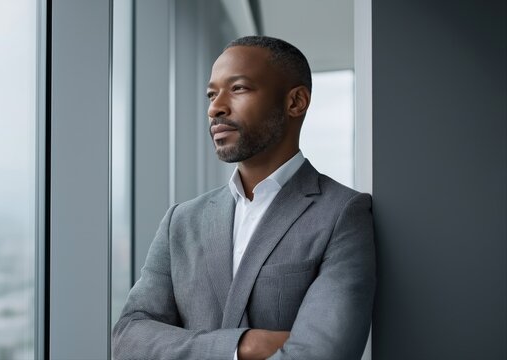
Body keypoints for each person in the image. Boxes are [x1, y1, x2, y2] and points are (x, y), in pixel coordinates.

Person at [112, 35, 375, 360]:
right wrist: (242, 346)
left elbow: (322, 353)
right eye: (211, 94)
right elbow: (128, 337)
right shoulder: (180, 221)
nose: (214, 107)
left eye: (238, 88)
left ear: (295, 102)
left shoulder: (343, 213)